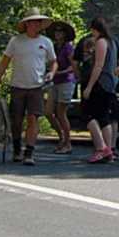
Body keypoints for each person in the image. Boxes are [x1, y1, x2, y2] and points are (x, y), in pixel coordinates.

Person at [0, 8, 58, 166]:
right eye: (33, 22)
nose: (35, 24)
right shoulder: (16, 41)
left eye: (38, 22)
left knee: (33, 118)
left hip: (37, 86)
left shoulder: (46, 42)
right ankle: (17, 148)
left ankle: (29, 152)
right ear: (26, 24)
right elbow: (4, 62)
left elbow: (53, 62)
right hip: (18, 86)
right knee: (16, 120)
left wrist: (52, 73)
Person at [79, 17, 119, 164]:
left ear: (95, 29)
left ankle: (101, 147)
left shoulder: (101, 42)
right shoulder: (113, 42)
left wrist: (89, 87)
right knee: (104, 118)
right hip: (110, 84)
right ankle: (109, 149)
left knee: (88, 114)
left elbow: (98, 65)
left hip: (100, 84)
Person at [44, 22, 76, 154]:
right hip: (54, 82)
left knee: (61, 112)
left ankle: (67, 143)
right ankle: (61, 137)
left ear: (65, 34)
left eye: (61, 32)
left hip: (66, 81)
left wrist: (61, 72)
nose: (58, 34)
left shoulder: (68, 48)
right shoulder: (53, 47)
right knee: (48, 112)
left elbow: (73, 66)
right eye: (56, 32)